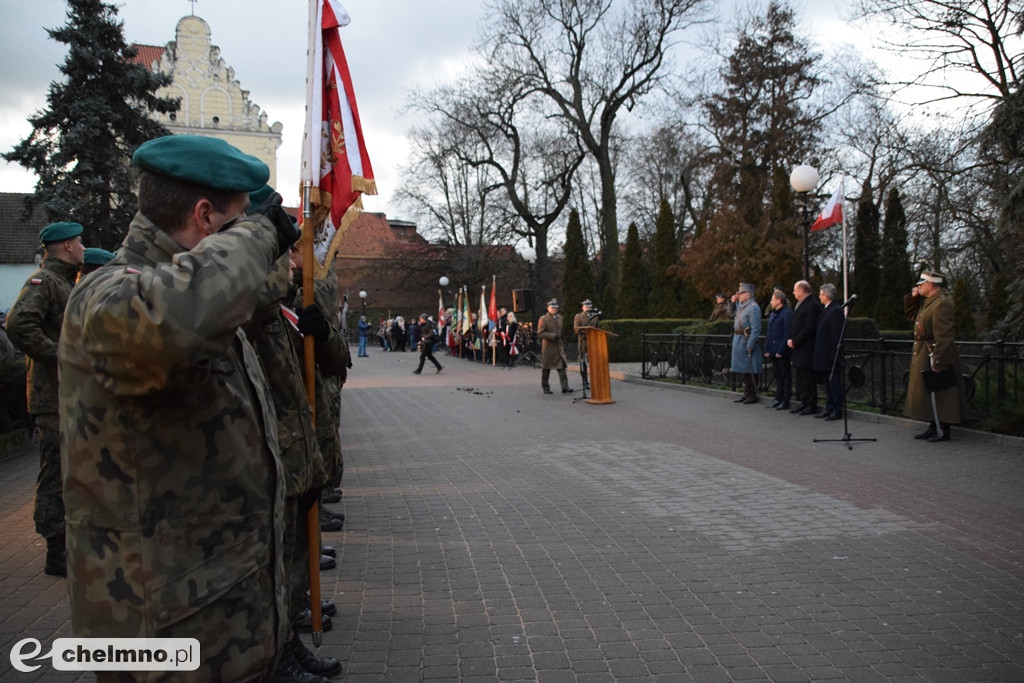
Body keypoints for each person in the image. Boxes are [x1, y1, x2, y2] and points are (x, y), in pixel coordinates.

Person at [57, 135, 298, 681]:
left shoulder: (197, 289)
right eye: (239, 219)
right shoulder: (106, 296)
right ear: (206, 216)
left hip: (215, 615)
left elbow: (248, 294)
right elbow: (178, 314)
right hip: (159, 632)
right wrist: (261, 231)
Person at [246, 246, 341, 682]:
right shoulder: (253, 313)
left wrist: (321, 335)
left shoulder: (287, 314)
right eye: (282, 256)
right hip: (275, 456)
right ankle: (278, 649)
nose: (290, 263)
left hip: (301, 453)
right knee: (279, 561)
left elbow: (338, 363)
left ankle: (288, 641)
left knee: (294, 556)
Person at [6, 220, 85, 577]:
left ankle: (67, 543)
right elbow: (19, 323)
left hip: (66, 396)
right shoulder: (45, 282)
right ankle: (56, 551)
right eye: (79, 242)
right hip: (51, 398)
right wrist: (60, 355)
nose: (83, 247)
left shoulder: (64, 283)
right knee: (55, 474)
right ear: (66, 246)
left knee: (69, 472)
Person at [903, 270, 968, 441]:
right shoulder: (929, 302)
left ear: (930, 284)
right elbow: (913, 316)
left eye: (921, 284)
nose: (918, 286)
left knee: (942, 392)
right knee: (929, 391)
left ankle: (943, 428)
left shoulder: (942, 303)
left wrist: (939, 360)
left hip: (936, 352)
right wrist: (913, 297)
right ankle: (933, 425)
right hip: (926, 351)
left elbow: (944, 335)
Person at [787, 280, 822, 415]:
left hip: (806, 348)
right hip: (798, 348)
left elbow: (809, 328)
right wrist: (791, 339)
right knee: (801, 378)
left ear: (802, 290)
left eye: (795, 290)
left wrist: (795, 341)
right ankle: (803, 402)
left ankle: (810, 405)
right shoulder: (800, 304)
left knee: (808, 378)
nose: (793, 293)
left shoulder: (812, 305)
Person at [812, 283, 845, 421]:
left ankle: (837, 409)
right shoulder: (827, 309)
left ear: (826, 295)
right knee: (827, 383)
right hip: (824, 354)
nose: (819, 296)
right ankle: (829, 406)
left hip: (831, 355)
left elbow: (836, 335)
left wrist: (834, 356)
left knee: (834, 383)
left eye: (821, 294)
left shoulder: (836, 310)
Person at [730, 283, 762, 404]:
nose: (739, 295)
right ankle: (746, 392)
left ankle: (752, 393)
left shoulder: (753, 308)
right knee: (744, 369)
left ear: (748, 294)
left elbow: (756, 329)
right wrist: (732, 303)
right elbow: (731, 314)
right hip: (739, 339)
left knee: (751, 368)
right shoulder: (742, 306)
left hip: (746, 339)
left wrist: (750, 344)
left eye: (741, 293)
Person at [537, 299, 574, 394]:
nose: (555, 309)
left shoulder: (560, 318)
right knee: (546, 368)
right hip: (548, 348)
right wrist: (553, 336)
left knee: (561, 368)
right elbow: (540, 334)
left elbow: (563, 333)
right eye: (552, 307)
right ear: (548, 308)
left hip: (558, 347)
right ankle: (545, 387)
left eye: (556, 307)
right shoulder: (543, 319)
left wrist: (564, 344)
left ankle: (565, 387)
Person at [765, 289, 793, 410]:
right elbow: (770, 333)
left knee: (785, 375)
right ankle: (778, 397)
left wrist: (780, 351)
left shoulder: (786, 313)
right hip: (773, 349)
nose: (771, 301)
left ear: (779, 300)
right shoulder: (773, 314)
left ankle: (785, 399)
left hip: (781, 350)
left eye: (772, 299)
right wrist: (767, 349)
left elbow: (786, 333)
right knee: (777, 375)